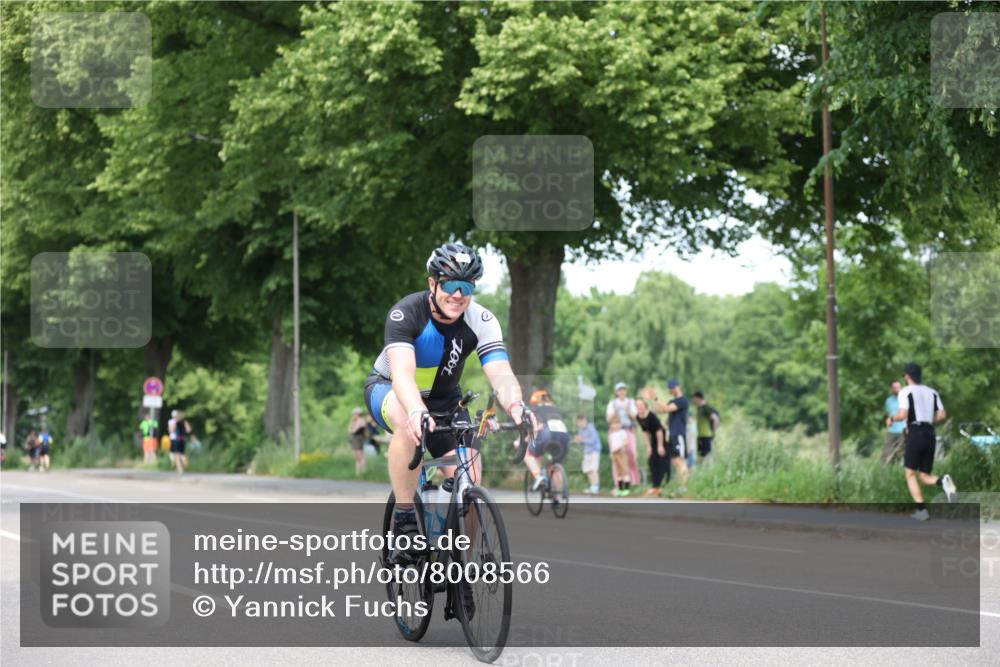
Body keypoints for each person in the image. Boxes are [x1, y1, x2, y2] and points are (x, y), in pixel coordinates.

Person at [363, 242, 535, 563]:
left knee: (469, 471)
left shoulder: (481, 319)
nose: (458, 295)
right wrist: (416, 410)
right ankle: (404, 519)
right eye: (450, 285)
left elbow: (500, 373)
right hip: (391, 389)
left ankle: (458, 562)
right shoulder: (407, 312)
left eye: (466, 286)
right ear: (433, 283)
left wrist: (517, 407)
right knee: (406, 420)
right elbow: (402, 374)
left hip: (444, 399)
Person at [889, 362, 957, 521]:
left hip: (915, 433)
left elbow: (903, 414)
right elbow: (942, 415)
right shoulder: (932, 392)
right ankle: (943, 481)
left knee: (910, 473)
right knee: (924, 475)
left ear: (907, 376)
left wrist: (892, 418)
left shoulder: (905, 391)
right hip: (930, 433)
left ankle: (922, 511)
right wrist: (928, 420)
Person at [643, 380, 690, 492]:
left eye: (673, 387)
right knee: (674, 460)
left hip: (679, 434)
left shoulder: (682, 401)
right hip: (672, 434)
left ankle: (684, 487)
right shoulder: (672, 401)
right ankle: (681, 486)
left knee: (679, 460)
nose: (672, 390)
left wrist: (655, 398)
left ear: (678, 387)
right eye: (670, 388)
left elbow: (666, 408)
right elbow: (659, 410)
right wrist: (651, 401)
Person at [523, 389, 571, 490]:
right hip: (564, 437)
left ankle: (538, 476)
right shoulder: (556, 409)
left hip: (547, 435)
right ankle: (557, 497)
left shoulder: (534, 409)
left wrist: (522, 440)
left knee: (528, 453)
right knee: (556, 465)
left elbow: (536, 427)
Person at [606, 382, 640, 487]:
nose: (622, 392)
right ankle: (619, 482)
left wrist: (627, 409)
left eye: (623, 389)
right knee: (616, 456)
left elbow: (636, 417)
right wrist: (616, 410)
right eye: (619, 390)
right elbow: (608, 419)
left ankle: (633, 481)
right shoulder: (612, 403)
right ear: (616, 392)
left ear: (626, 391)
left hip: (628, 430)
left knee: (631, 455)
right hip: (615, 432)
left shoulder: (630, 402)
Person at [635, 398, 667, 497]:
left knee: (660, 461)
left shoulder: (651, 416)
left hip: (661, 438)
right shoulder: (638, 417)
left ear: (645, 406)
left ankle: (661, 486)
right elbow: (645, 432)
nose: (639, 407)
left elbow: (659, 431)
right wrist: (649, 446)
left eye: (641, 405)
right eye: (637, 405)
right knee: (652, 462)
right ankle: (655, 486)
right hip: (652, 439)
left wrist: (660, 445)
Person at [574, 412, 602, 495]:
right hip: (587, 451)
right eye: (578, 422)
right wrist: (578, 440)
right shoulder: (581, 430)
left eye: (580, 422)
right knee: (587, 469)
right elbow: (582, 440)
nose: (579, 424)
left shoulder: (591, 428)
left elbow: (592, 441)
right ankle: (593, 486)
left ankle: (596, 487)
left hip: (594, 450)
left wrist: (582, 440)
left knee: (593, 468)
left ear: (584, 420)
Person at [882, 380, 906, 465]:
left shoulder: (905, 400)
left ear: (901, 388)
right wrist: (888, 422)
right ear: (892, 389)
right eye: (894, 388)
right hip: (892, 431)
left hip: (903, 431)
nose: (896, 389)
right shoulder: (888, 401)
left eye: (898, 387)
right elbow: (889, 415)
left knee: (903, 455)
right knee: (887, 455)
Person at [692, 391, 720, 461]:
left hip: (706, 436)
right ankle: (703, 471)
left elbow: (715, 419)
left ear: (698, 398)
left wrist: (713, 433)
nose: (693, 400)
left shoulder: (706, 408)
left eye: (694, 398)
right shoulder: (699, 409)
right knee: (701, 456)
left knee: (707, 456)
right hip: (700, 436)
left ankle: (710, 471)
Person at [607, 415, 631, 496]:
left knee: (625, 470)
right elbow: (610, 444)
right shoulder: (611, 434)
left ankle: (627, 489)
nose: (615, 426)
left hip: (621, 452)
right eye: (613, 424)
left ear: (620, 424)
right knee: (619, 472)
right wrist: (611, 452)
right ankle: (620, 489)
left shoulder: (622, 432)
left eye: (617, 424)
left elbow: (626, 442)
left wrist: (619, 447)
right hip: (614, 453)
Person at [169, 410, 191, 475]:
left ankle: (180, 469)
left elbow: (171, 430)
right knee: (182, 453)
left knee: (176, 455)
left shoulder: (175, 422)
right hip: (183, 439)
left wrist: (173, 427)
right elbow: (189, 430)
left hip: (176, 440)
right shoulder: (185, 422)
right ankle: (184, 460)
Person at [348, 408, 367, 476]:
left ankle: (363, 472)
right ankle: (358, 473)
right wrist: (352, 422)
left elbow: (353, 431)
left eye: (354, 414)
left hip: (359, 439)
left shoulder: (361, 421)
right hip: (355, 439)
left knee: (360, 456)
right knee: (357, 457)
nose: (353, 415)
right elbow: (349, 430)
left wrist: (352, 428)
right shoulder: (355, 421)